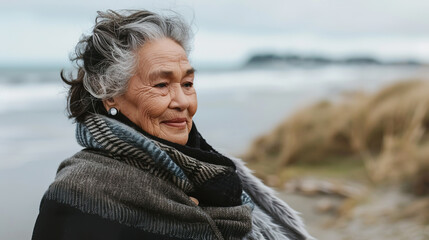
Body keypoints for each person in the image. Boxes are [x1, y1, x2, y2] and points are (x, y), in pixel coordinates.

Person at [32, 9, 313, 240]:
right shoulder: (78, 195)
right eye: (161, 84)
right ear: (110, 95)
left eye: (188, 83)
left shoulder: (210, 171)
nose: (182, 101)